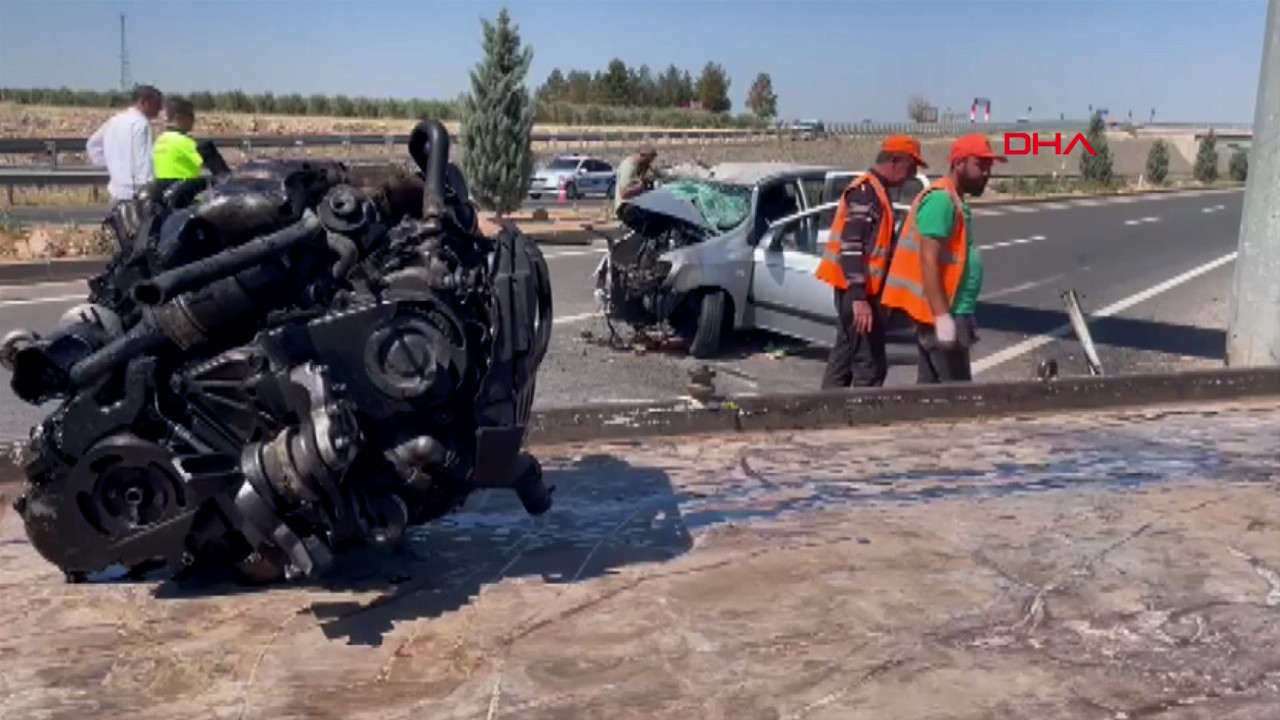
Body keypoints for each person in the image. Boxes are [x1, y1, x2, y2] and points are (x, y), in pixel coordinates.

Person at [880, 133, 1005, 384]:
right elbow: (928, 259)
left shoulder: (953, 199)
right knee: (958, 396)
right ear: (958, 163)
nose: (986, 173)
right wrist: (942, 317)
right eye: (980, 165)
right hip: (944, 314)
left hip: (950, 312)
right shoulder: (941, 200)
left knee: (931, 393)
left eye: (989, 167)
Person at [816, 135, 926, 388]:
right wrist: (859, 299)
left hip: (855, 293)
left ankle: (826, 408)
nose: (913, 175)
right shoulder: (867, 193)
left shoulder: (875, 191)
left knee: (843, 359)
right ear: (895, 161)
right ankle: (859, 413)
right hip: (858, 295)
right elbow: (851, 246)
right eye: (911, 167)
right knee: (870, 368)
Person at [86, 84, 163, 208]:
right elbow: (143, 160)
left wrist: (112, 164)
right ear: (145, 102)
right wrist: (150, 188)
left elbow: (93, 145)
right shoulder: (141, 124)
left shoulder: (115, 120)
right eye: (157, 104)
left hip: (116, 190)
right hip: (134, 194)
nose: (160, 109)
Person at [152, 96, 204, 181]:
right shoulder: (184, 142)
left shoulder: (160, 140)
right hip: (185, 187)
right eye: (190, 115)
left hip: (164, 187)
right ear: (178, 118)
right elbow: (211, 165)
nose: (193, 120)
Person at [613, 145, 659, 215]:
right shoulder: (628, 167)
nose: (649, 163)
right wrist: (641, 186)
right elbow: (623, 193)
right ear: (642, 156)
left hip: (637, 203)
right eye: (648, 160)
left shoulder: (642, 167)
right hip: (625, 207)